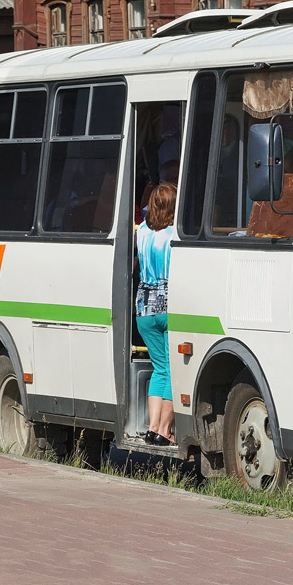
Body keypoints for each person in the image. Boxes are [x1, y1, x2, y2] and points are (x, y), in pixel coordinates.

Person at [135, 182, 177, 446]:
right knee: (174, 370)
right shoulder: (174, 234)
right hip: (169, 306)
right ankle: (165, 430)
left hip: (144, 309)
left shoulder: (141, 231)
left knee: (159, 369)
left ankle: (152, 428)